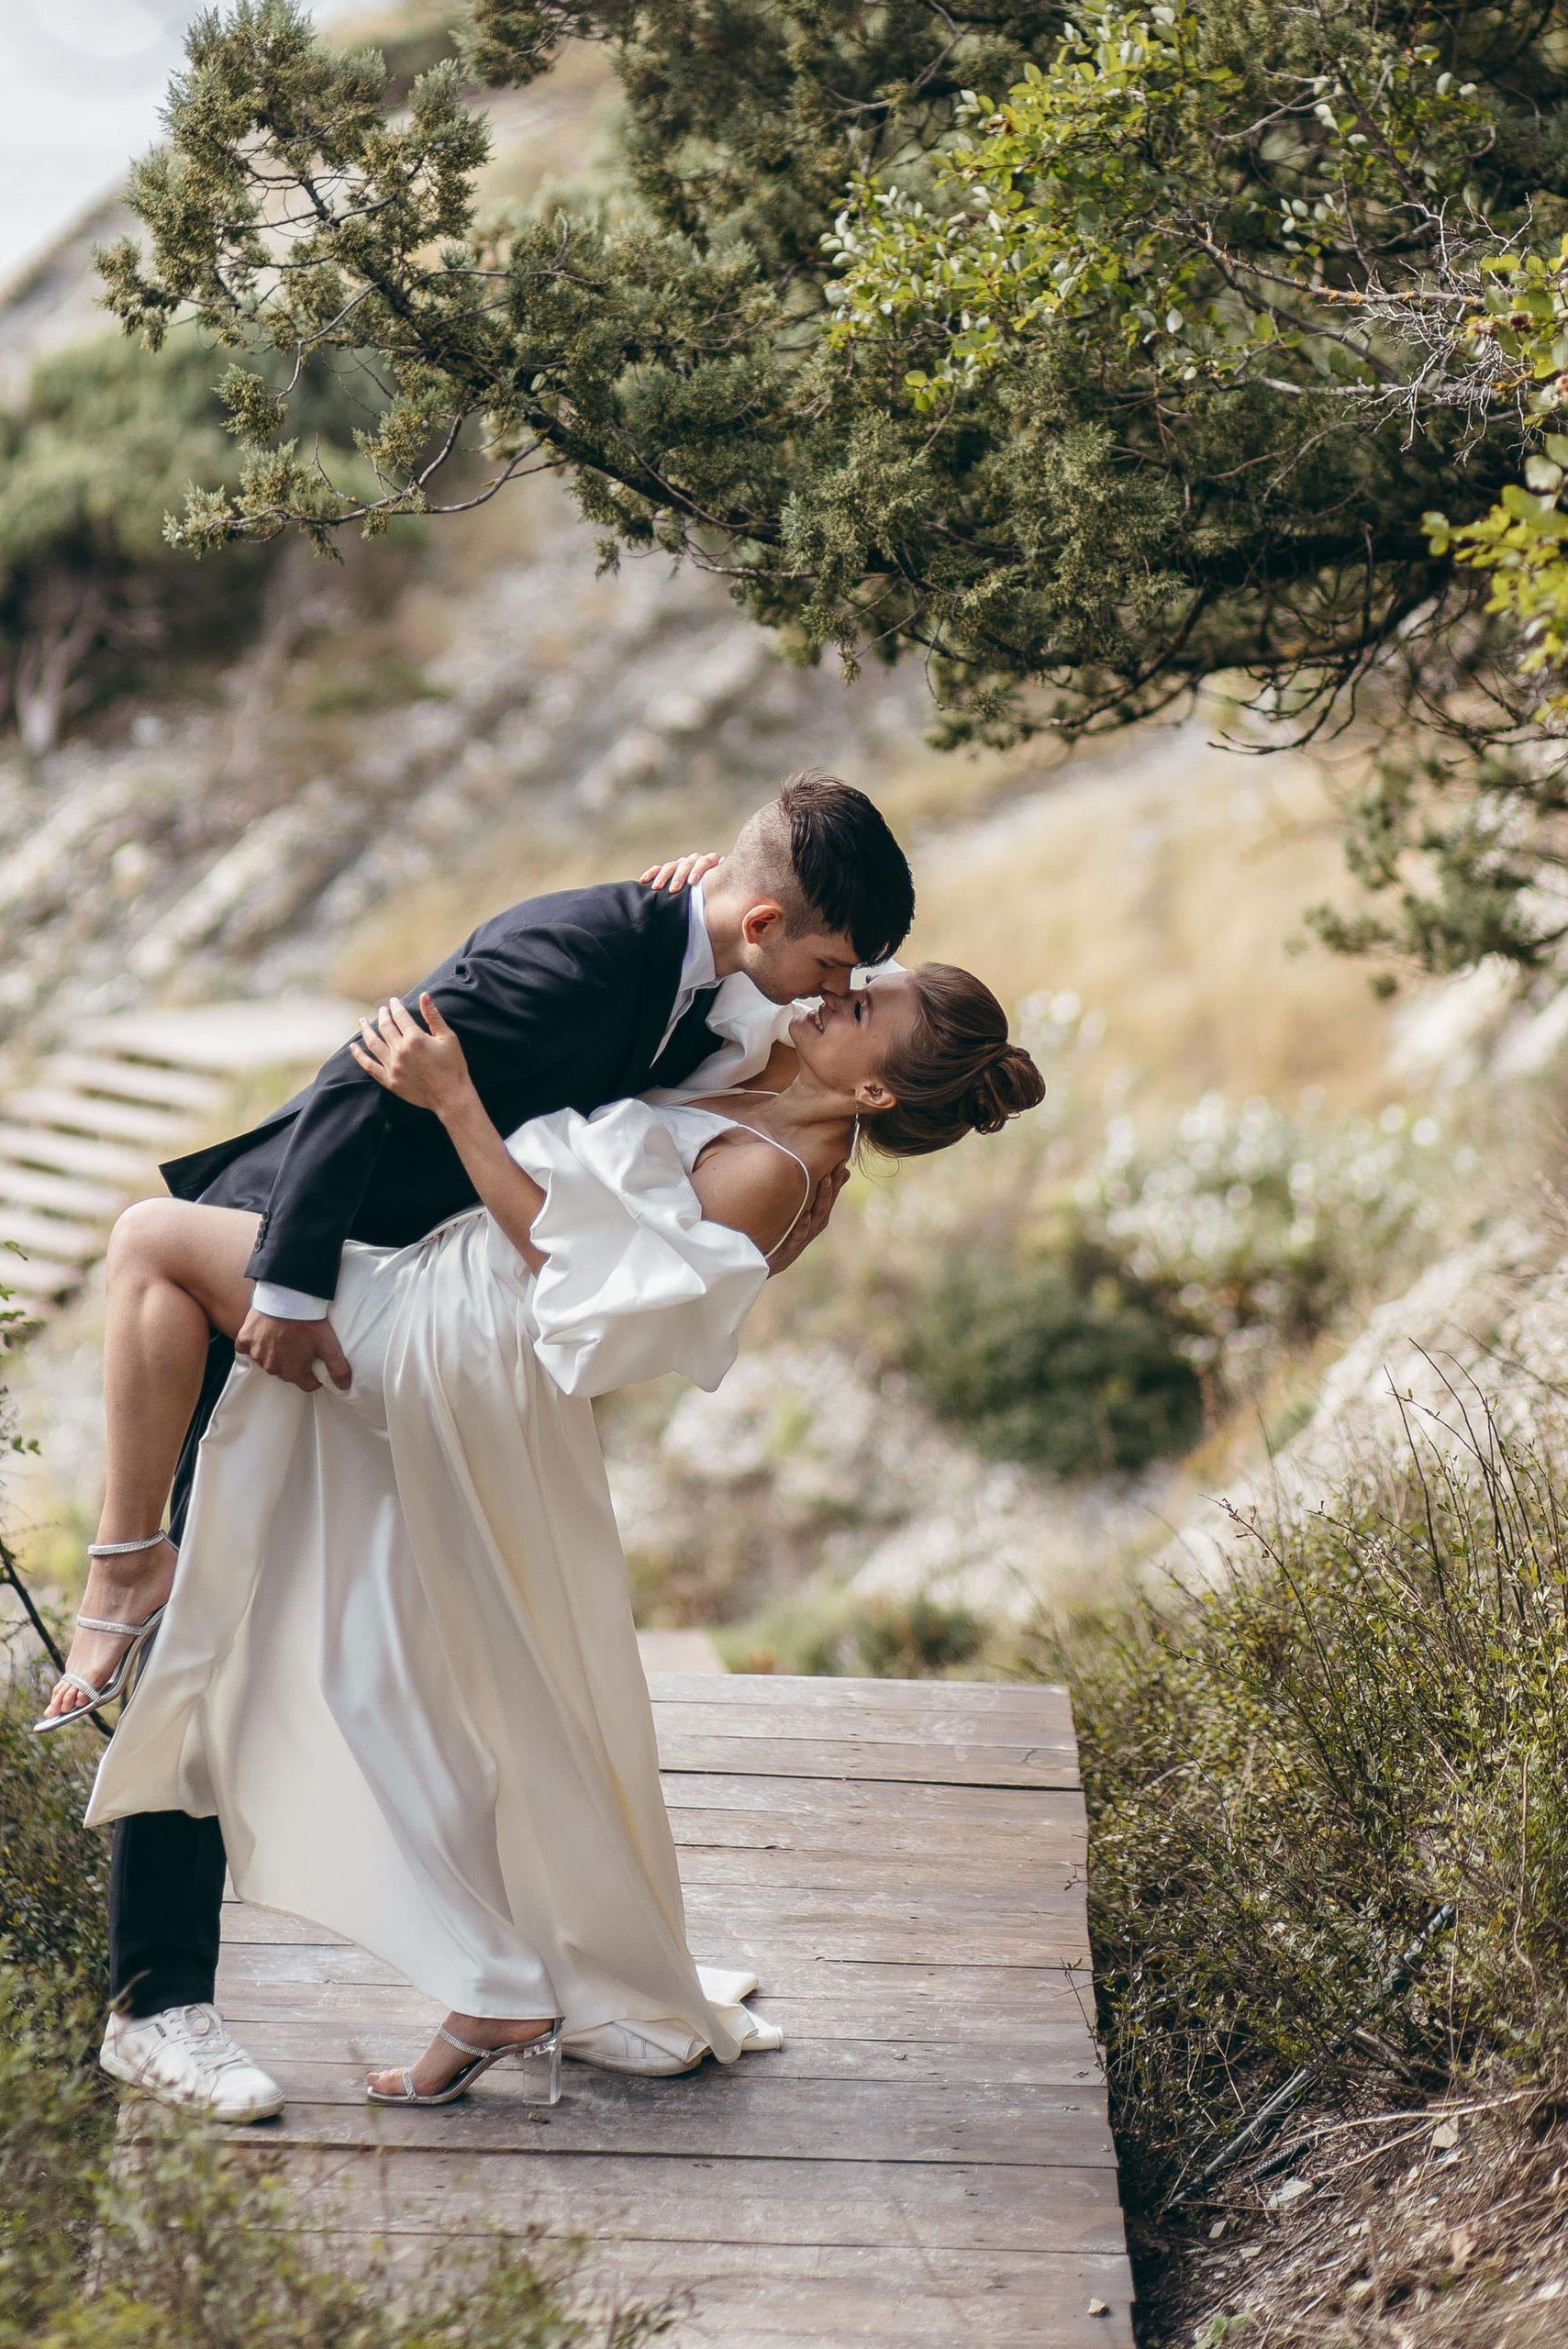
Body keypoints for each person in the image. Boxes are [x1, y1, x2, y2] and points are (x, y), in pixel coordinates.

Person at [52, 773, 920, 2121]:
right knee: (352, 1650)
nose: (827, 990)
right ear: (759, 926)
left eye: (850, 987)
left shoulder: (756, 1046)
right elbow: (360, 1079)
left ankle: (131, 1616)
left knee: (334, 1646)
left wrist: (336, 1249)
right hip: (322, 1262)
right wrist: (283, 1287)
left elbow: (590, 1222)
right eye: (835, 965)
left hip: (417, 1319)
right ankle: (178, 1992)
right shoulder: (649, 972)